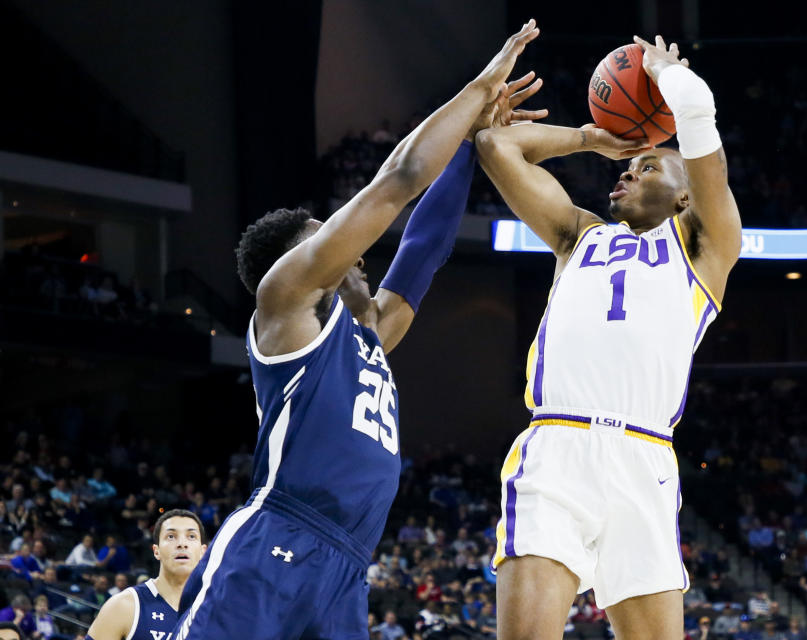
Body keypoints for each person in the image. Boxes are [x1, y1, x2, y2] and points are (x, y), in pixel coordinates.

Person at [172, 21, 543, 640]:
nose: (350, 243)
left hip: (346, 567)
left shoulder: (370, 332)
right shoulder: (285, 302)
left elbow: (423, 250)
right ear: (296, 263)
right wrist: (478, 91)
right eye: (325, 234)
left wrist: (472, 148)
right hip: (277, 542)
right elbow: (397, 183)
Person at [477, 33, 741, 640]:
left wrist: (666, 76)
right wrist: (592, 138)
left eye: (645, 165)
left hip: (645, 458)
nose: (625, 173)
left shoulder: (704, 250)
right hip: (559, 445)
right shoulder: (579, 235)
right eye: (625, 167)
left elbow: (702, 134)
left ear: (683, 196)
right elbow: (496, 143)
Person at [86, 510, 206, 640]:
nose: (182, 544)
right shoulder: (124, 606)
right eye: (171, 536)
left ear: (203, 552)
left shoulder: (217, 609)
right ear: (156, 551)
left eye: (191, 536)